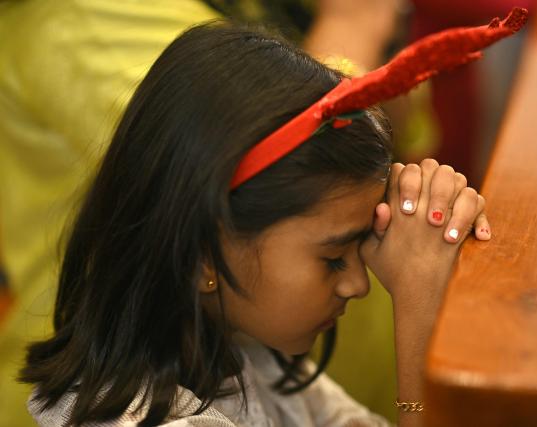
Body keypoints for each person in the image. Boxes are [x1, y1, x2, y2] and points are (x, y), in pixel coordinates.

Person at [18, 18, 510, 426]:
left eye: (361, 245)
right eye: (334, 258)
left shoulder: (245, 358)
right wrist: (422, 308)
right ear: (202, 254)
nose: (359, 285)